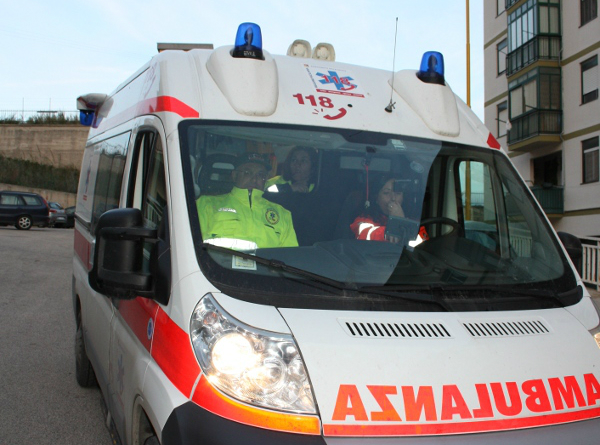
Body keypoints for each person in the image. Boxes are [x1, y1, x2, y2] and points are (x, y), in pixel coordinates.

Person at [197, 152, 298, 250]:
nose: (254, 179)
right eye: (247, 173)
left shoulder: (282, 215)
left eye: (260, 175)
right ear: (234, 175)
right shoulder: (206, 204)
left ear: (265, 179)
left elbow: (290, 259)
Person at [350, 175, 405, 242]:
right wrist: (398, 223)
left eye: (398, 193)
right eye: (386, 193)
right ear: (376, 197)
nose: (393, 198)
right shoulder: (364, 219)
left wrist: (403, 221)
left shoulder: (416, 220)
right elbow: (365, 234)